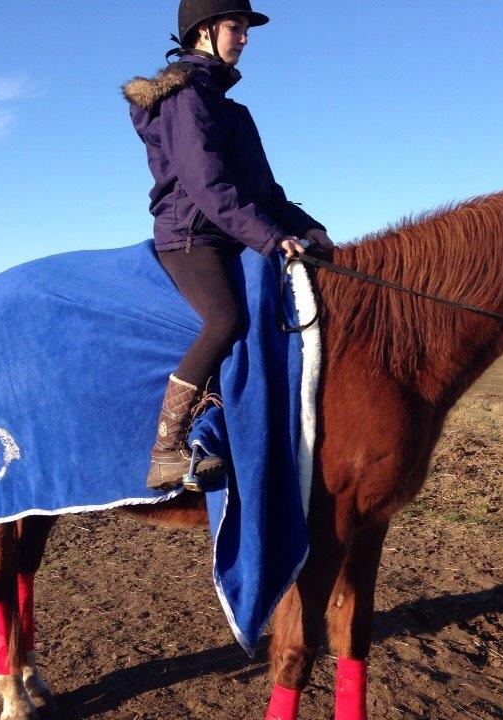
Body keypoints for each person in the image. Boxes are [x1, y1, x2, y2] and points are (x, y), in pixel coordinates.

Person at [123, 0, 333, 491]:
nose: (244, 38)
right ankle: (166, 450)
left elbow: (267, 193)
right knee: (227, 319)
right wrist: (270, 236)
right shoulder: (184, 97)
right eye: (235, 27)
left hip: (229, 233)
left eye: (245, 29)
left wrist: (310, 228)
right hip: (191, 235)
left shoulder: (233, 111)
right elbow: (207, 184)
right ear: (203, 33)